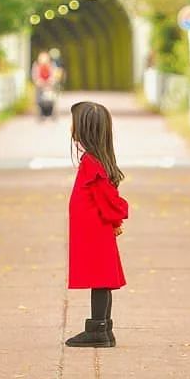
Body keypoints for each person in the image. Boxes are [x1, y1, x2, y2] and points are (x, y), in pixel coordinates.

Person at [65, 100, 128, 348]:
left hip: (95, 231)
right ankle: (104, 327)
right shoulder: (92, 161)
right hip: (92, 230)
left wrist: (116, 218)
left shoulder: (92, 165)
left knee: (101, 279)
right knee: (101, 278)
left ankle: (98, 328)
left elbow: (107, 197)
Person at [31, 52, 57, 119]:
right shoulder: (36, 66)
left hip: (49, 85)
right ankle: (41, 111)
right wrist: (38, 81)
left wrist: (51, 80)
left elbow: (53, 74)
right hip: (40, 85)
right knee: (39, 95)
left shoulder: (51, 65)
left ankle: (51, 111)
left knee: (52, 95)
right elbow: (35, 75)